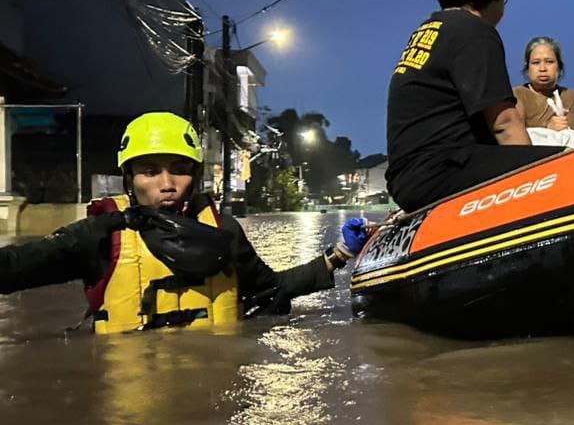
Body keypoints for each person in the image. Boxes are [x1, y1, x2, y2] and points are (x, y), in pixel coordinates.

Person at [0, 112, 369, 333]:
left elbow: (273, 290)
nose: (166, 184)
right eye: (149, 171)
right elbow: (15, 267)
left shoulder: (223, 231)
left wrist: (339, 254)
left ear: (195, 175)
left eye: (179, 170)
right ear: (129, 178)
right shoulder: (100, 235)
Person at [385, 0, 562, 211]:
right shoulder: (475, 31)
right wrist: (535, 177)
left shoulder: (428, 30)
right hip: (440, 170)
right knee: (566, 162)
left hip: (406, 178)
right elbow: (504, 123)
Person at [514, 36, 574, 147]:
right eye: (536, 63)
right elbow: (514, 136)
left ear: (559, 67)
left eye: (549, 62)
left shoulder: (569, 96)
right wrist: (547, 128)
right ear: (527, 68)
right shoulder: (518, 95)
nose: (543, 68)